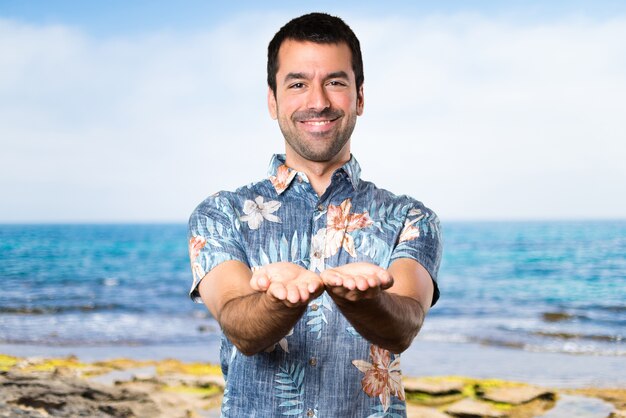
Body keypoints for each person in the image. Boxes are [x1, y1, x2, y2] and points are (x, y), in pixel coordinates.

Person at [188, 12, 442, 417]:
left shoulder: (410, 217)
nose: (318, 101)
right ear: (273, 101)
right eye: (298, 84)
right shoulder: (220, 214)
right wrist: (280, 301)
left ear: (359, 96)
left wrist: (364, 302)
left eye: (336, 82)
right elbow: (239, 327)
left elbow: (404, 325)